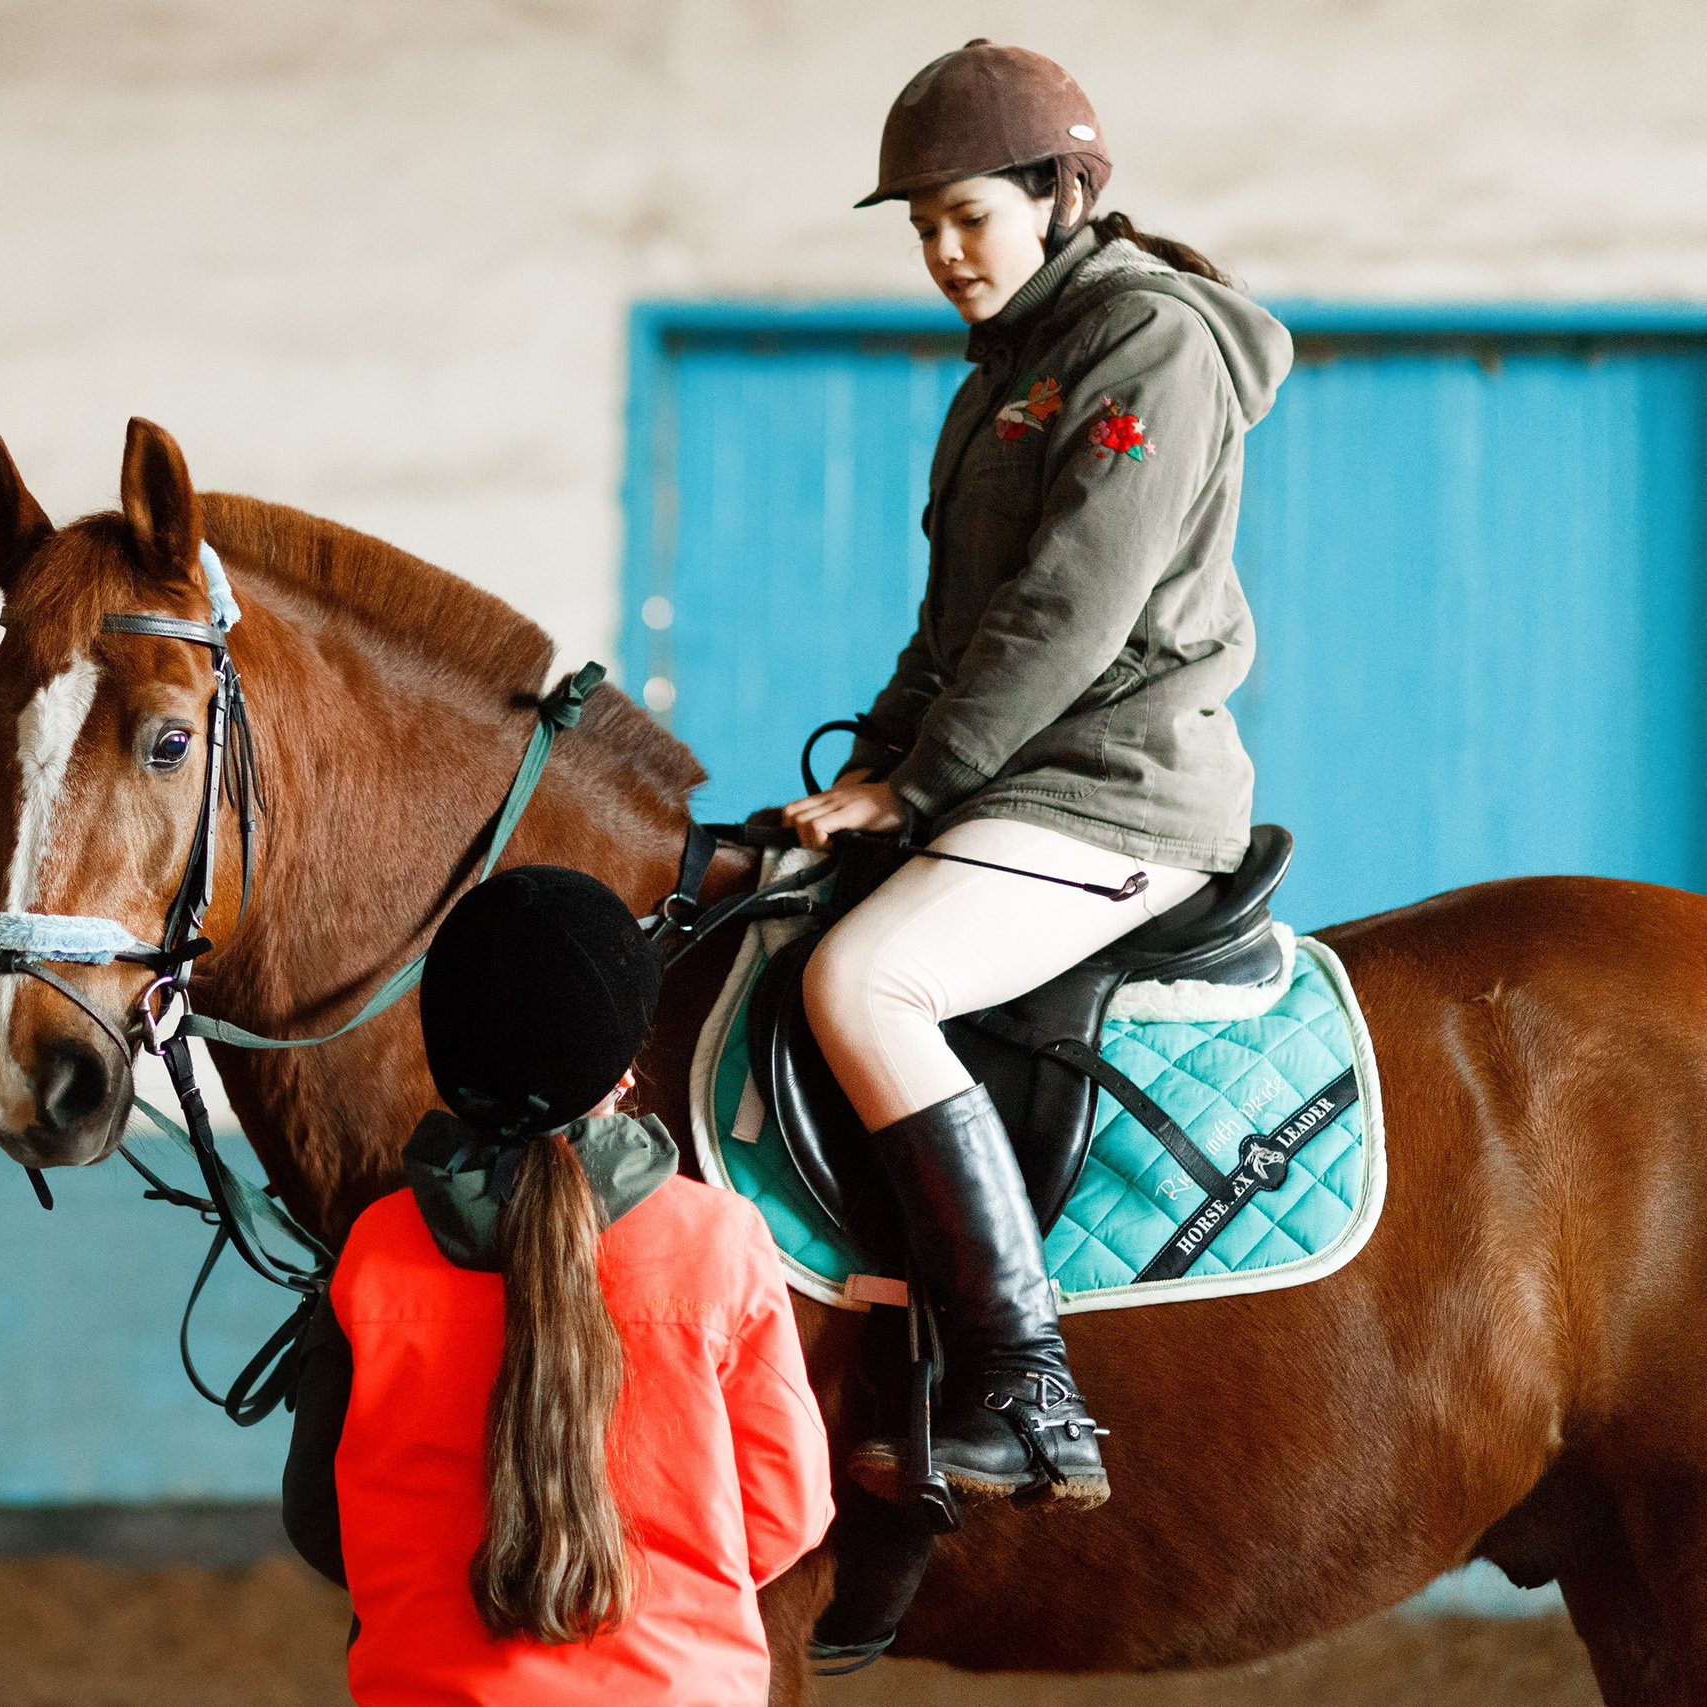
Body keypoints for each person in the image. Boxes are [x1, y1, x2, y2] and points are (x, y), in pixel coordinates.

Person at [778, 40, 1292, 1511]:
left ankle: (1030, 1386)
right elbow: (958, 623)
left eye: (969, 217)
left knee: (866, 982)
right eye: (924, 225)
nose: (944, 252)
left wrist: (922, 784)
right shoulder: (1006, 372)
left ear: (1064, 195)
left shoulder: (1152, 348)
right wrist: (870, 762)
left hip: (1121, 787)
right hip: (1015, 782)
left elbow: (1073, 602)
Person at [282, 866, 834, 1707]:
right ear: (624, 1067)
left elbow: (322, 1521)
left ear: (447, 1062)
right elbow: (786, 1512)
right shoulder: (721, 1241)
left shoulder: (376, 1248)